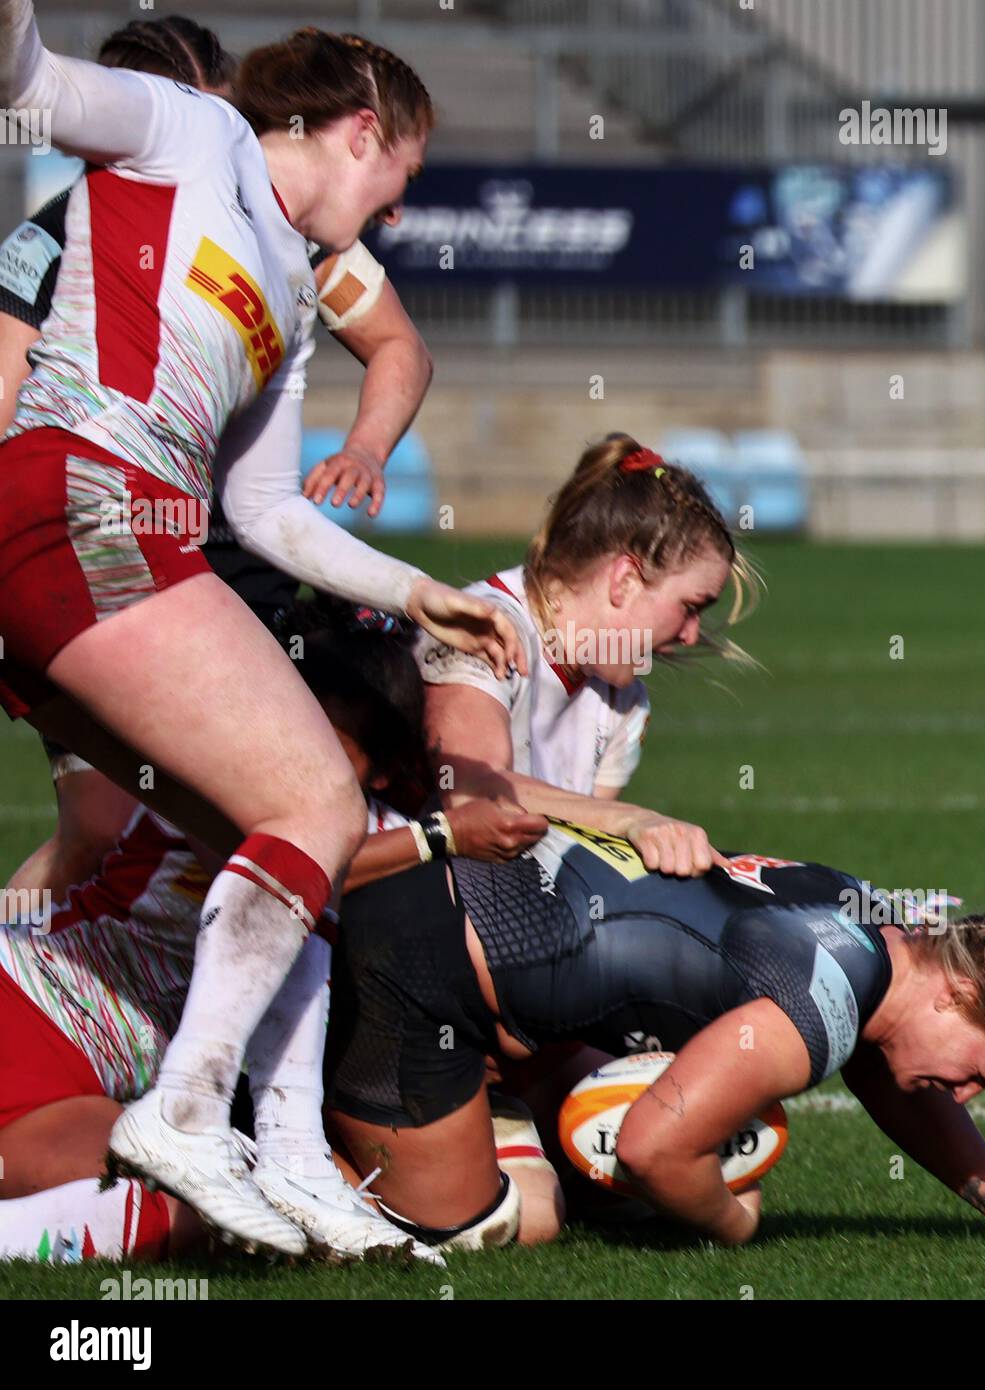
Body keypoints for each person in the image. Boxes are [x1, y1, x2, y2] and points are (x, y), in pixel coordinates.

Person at [0, 3, 523, 1257]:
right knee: (320, 807)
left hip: (119, 531)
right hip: (78, 501)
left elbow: (264, 510)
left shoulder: (291, 282)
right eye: (401, 173)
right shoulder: (186, 130)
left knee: (278, 827)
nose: (396, 211)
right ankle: (184, 1110)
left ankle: (287, 1150)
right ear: (357, 129)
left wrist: (411, 591)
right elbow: (26, 79)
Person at [0, 15, 437, 903]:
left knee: (262, 820)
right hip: (92, 536)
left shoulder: (302, 237)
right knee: (107, 825)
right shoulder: (62, 234)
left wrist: (364, 446)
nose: (228, 129)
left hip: (213, 556)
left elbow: (401, 346)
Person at [0, 599, 545, 1265]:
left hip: (99, 1071)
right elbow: (288, 866)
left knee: (195, 1213)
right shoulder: (219, 781)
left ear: (377, 769)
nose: (292, 748)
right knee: (190, 1206)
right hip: (29, 1009)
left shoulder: (375, 829)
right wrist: (440, 837)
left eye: (324, 741)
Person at [322, 827, 985, 1249]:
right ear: (959, 992)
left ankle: (462, 1104)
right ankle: (262, 1149)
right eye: (978, 1076)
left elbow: (895, 1076)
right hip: (414, 967)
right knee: (508, 1225)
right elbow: (653, 1149)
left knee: (588, 1184)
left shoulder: (890, 930)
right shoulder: (824, 1004)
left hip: (472, 931)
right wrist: (731, 1221)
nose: (964, 1096)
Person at [422, 431, 761, 877]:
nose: (693, 634)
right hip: (411, 920)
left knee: (871, 923)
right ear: (624, 580)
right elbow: (472, 790)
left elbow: (580, 867)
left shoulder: (623, 699)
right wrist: (631, 821)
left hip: (526, 917)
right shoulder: (483, 629)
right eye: (690, 607)